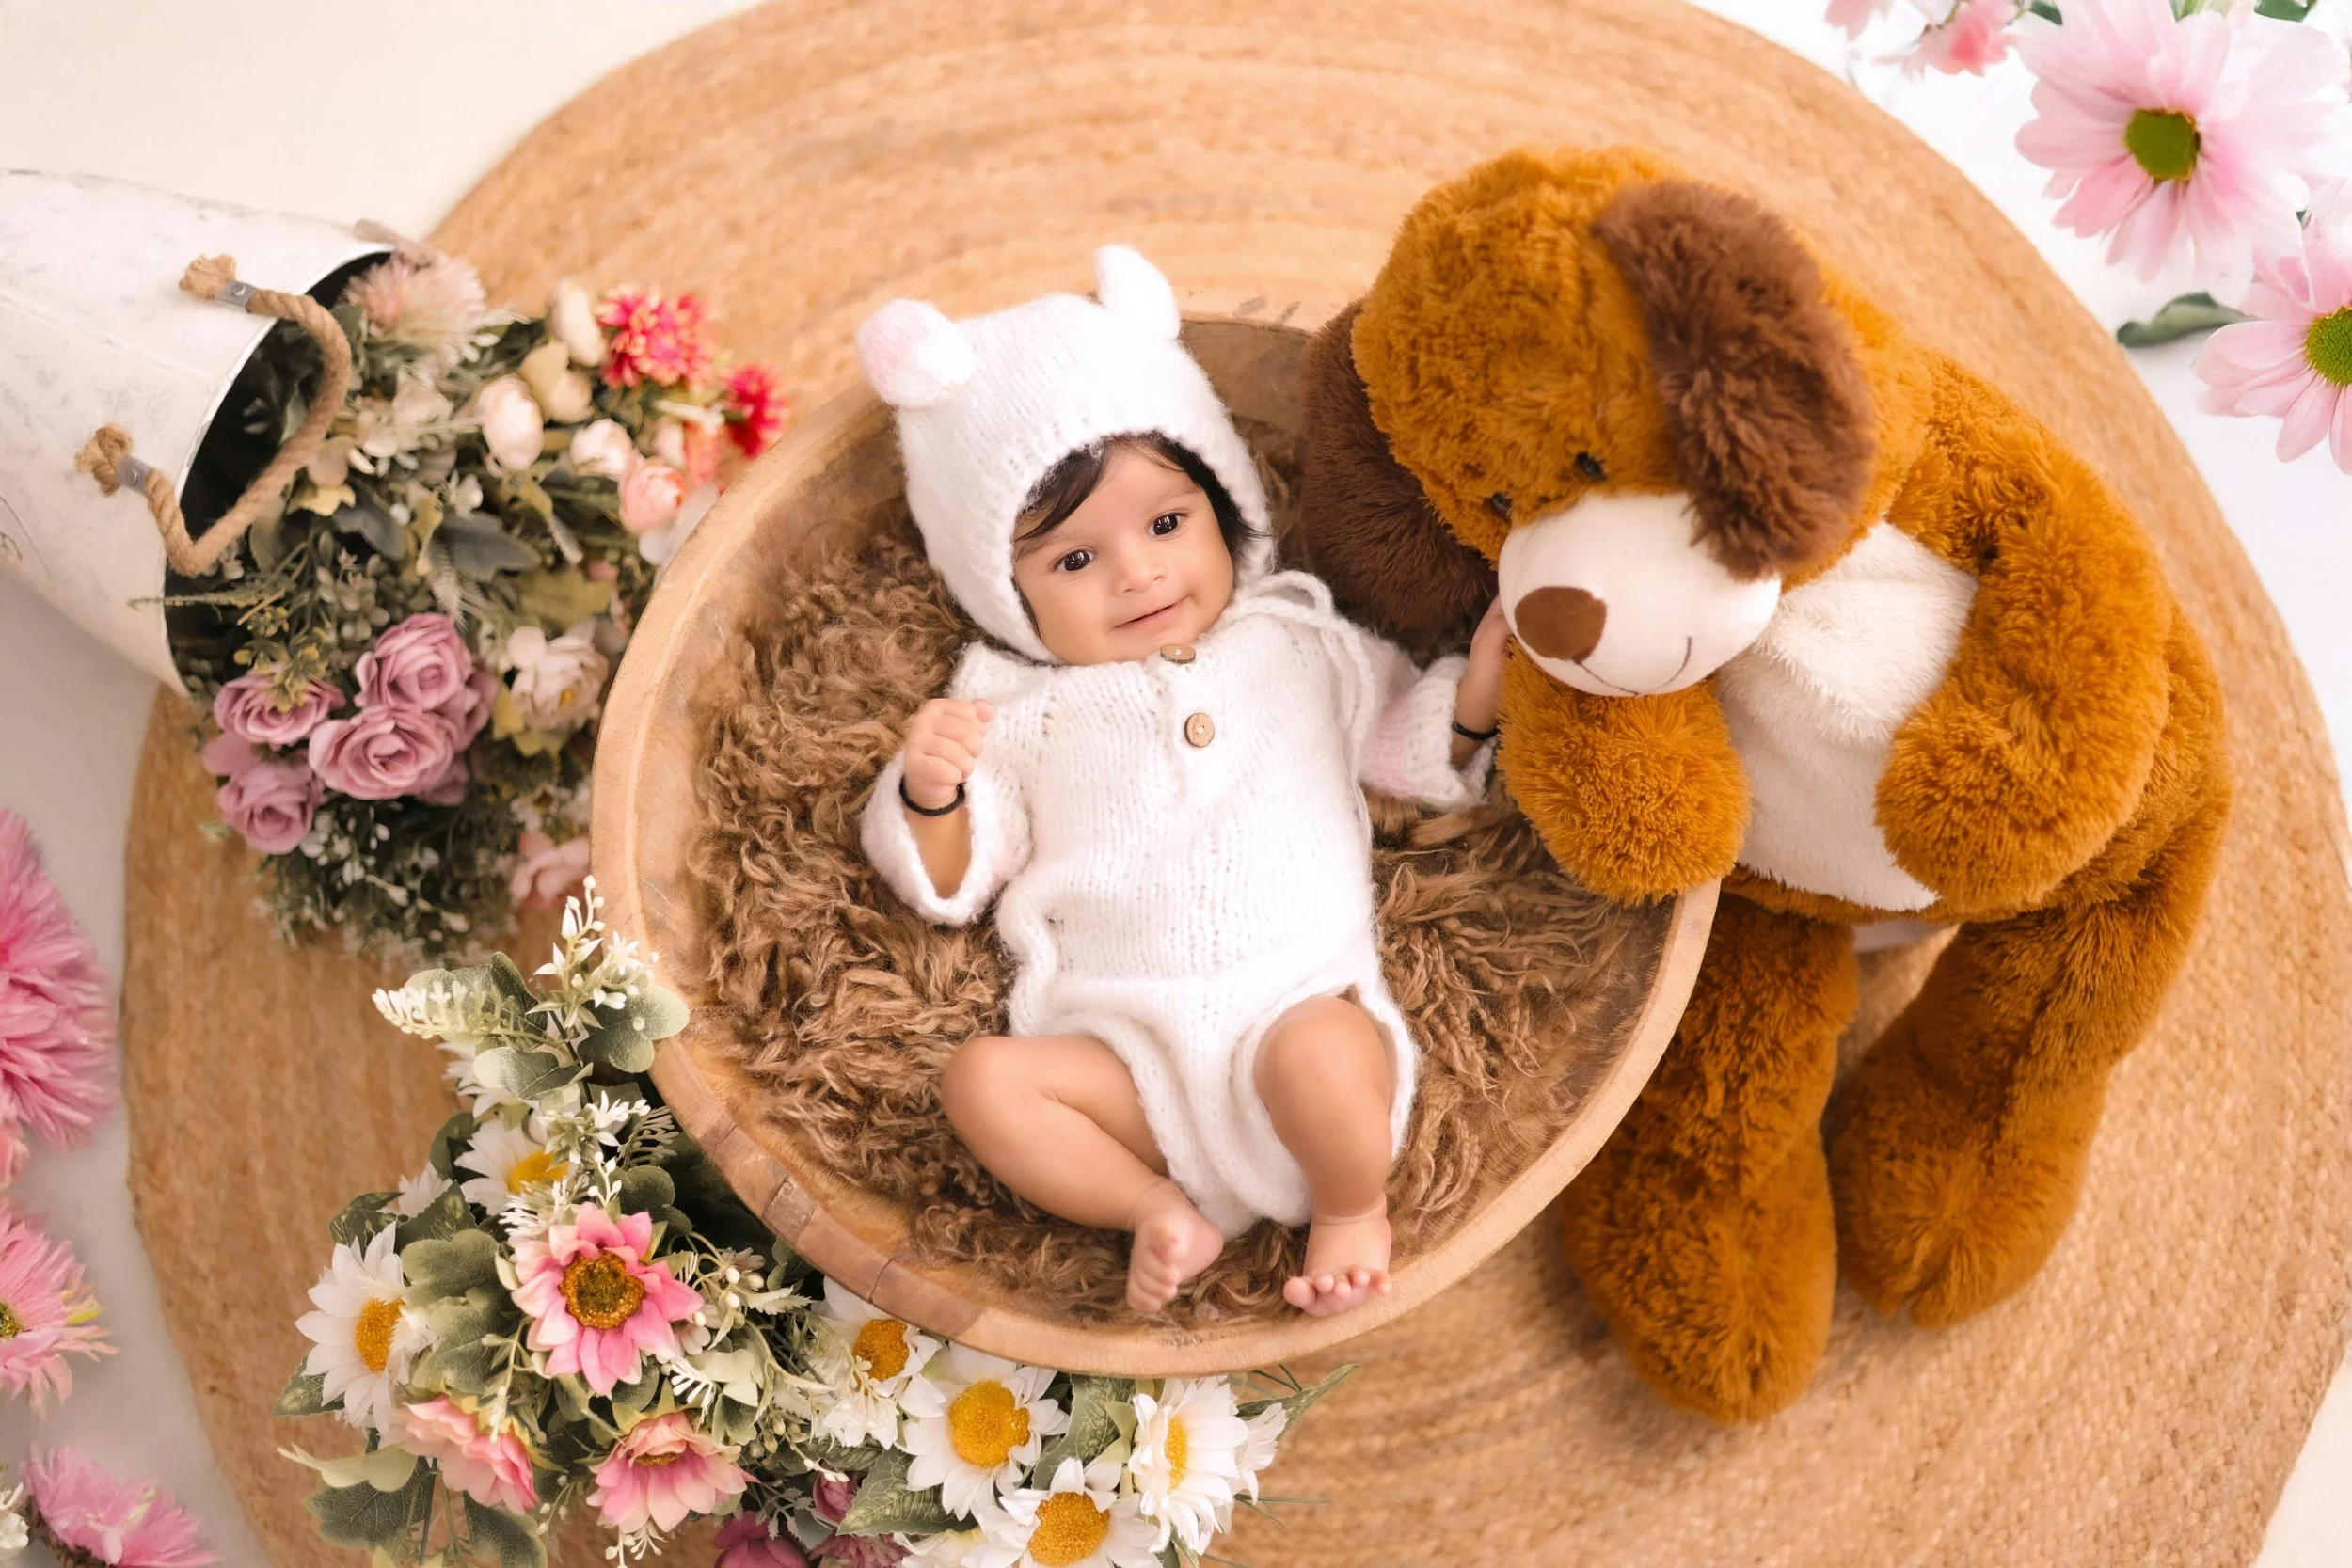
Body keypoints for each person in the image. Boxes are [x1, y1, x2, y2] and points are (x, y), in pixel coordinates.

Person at [856, 247, 1508, 1318]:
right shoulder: (1013, 709)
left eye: (1166, 523)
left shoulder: (1295, 641)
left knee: (1322, 1058)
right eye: (1074, 561)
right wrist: (931, 791)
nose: (1139, 573)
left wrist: (1475, 689)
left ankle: (1350, 1205)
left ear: (1224, 505)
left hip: (1289, 1023)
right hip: (1124, 1066)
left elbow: (1401, 743)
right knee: (983, 1081)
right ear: (1006, 595)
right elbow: (954, 878)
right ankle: (1153, 1206)